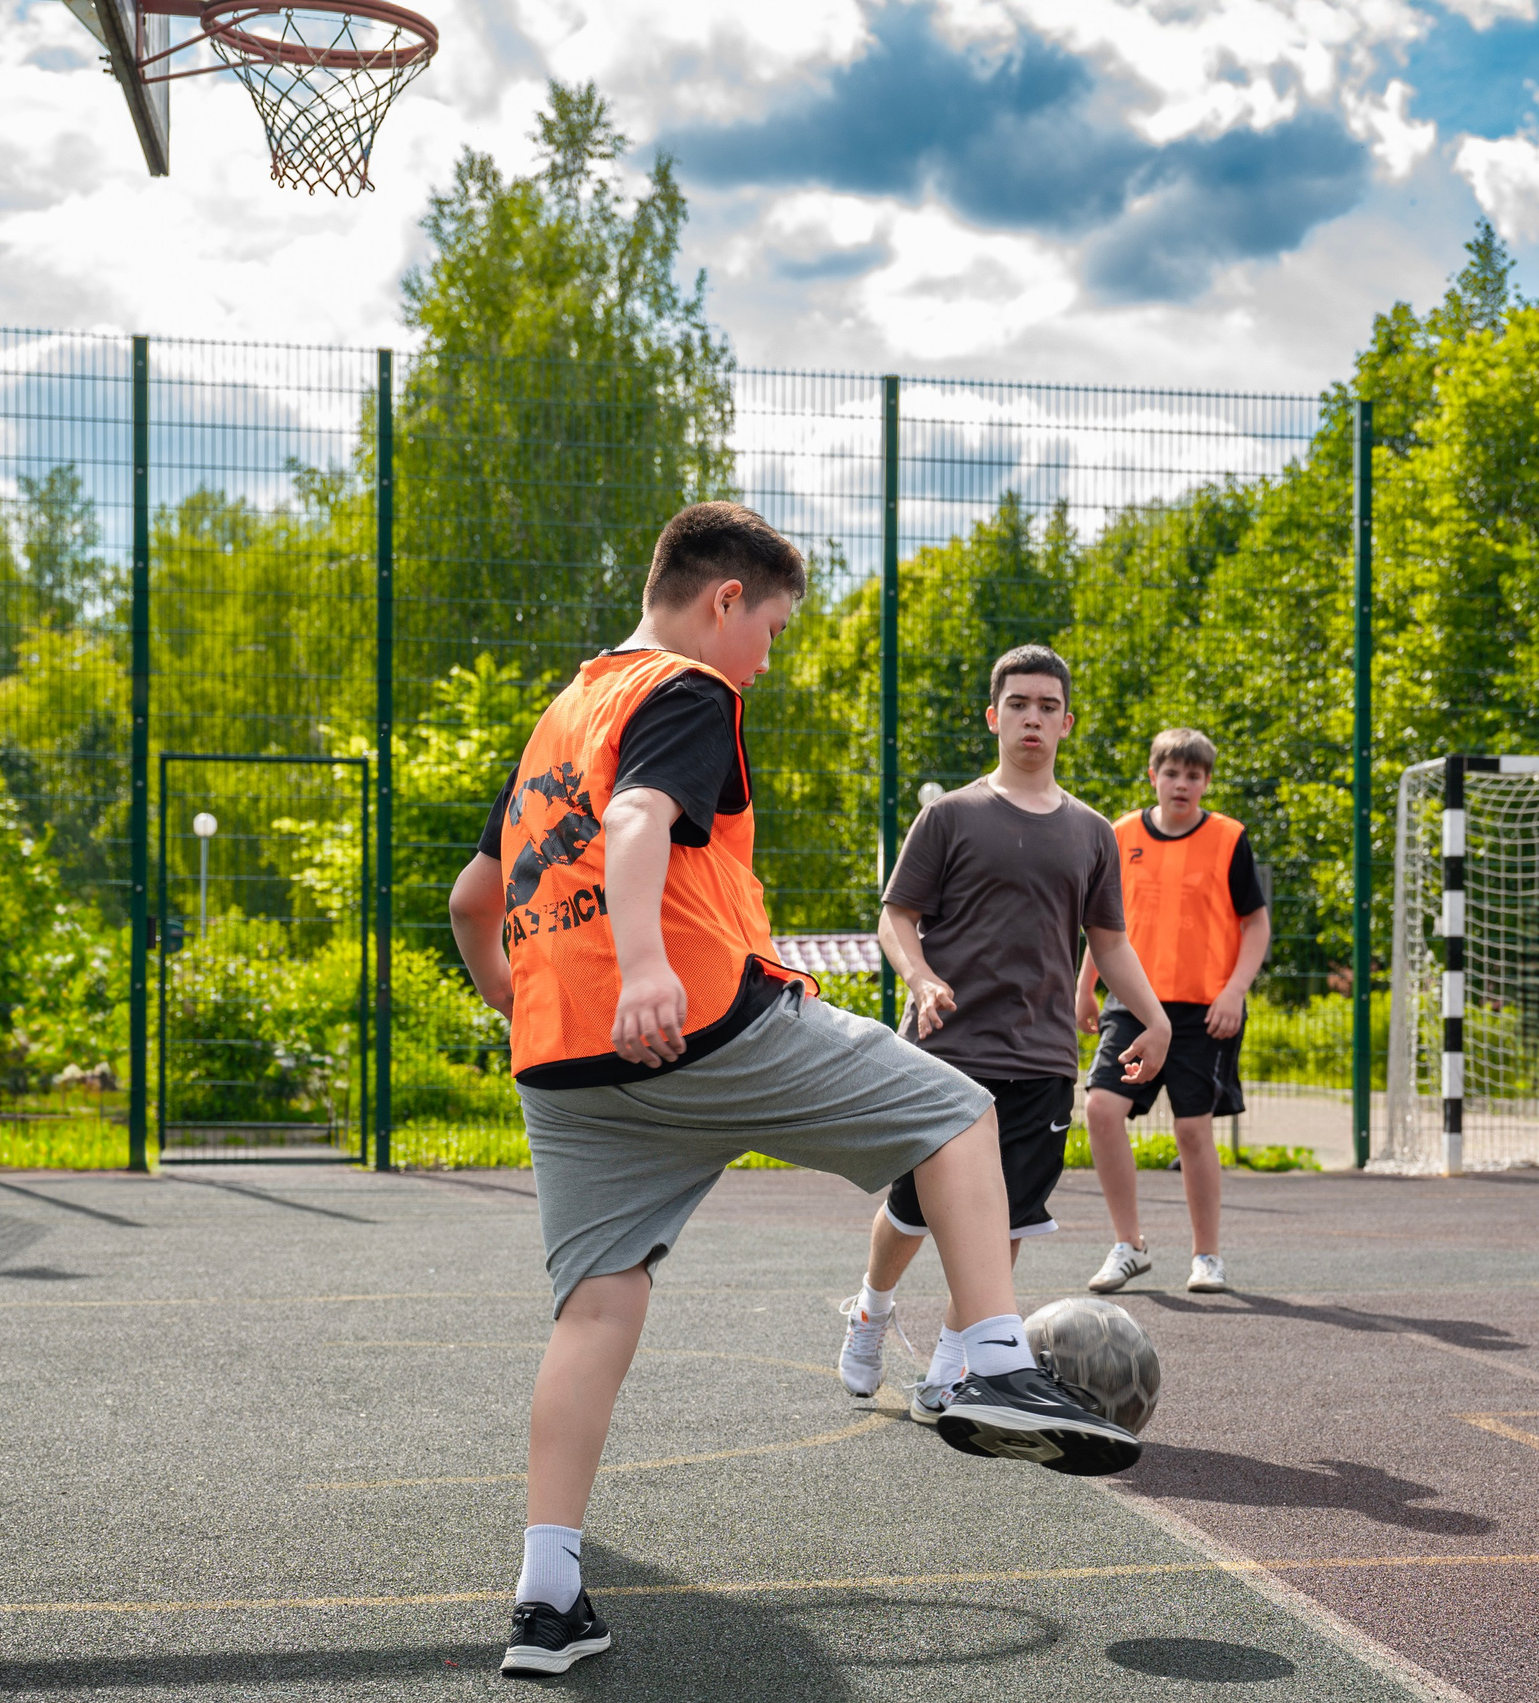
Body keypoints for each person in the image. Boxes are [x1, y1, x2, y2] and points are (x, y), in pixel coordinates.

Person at [447, 509, 1138, 1678]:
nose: (766, 655)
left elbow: (474, 901)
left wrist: (529, 1004)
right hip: (701, 1014)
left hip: (564, 1057)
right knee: (955, 1111)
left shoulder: (558, 719)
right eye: (768, 627)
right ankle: (979, 1350)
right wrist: (649, 965)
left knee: (598, 1303)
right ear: (725, 599)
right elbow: (633, 823)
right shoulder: (685, 688)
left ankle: (547, 1596)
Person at [836, 644, 1176, 1421]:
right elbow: (897, 916)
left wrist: (1154, 1018)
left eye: (1047, 706)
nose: (1032, 717)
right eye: (1018, 703)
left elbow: (1110, 941)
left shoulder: (1092, 832)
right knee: (911, 1213)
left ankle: (952, 1370)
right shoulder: (950, 815)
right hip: (946, 1056)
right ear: (994, 716)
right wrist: (920, 976)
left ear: (1066, 723)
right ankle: (871, 1311)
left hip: (1042, 1059)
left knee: (1009, 1221)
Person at [1075, 728, 1272, 1296]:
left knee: (1191, 1129)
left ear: (1207, 782)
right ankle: (1128, 1244)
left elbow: (1254, 923)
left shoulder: (1229, 839)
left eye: (1194, 775)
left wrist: (1235, 990)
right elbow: (1104, 923)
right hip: (1133, 1004)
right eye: (1172, 773)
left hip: (1204, 1008)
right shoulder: (1120, 834)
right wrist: (1084, 985)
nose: (1182, 784)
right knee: (1102, 1110)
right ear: (1152, 776)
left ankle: (1206, 1255)